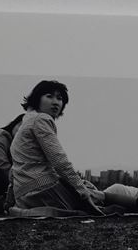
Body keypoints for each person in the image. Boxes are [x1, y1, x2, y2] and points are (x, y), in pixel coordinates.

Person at [9, 80, 105, 215]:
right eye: (49, 96)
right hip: (43, 188)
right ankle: (136, 200)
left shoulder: (25, 122)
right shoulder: (41, 119)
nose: (55, 102)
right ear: (37, 99)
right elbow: (59, 160)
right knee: (102, 202)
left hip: (24, 194)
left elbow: (14, 169)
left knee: (93, 193)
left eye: (59, 98)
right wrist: (81, 190)